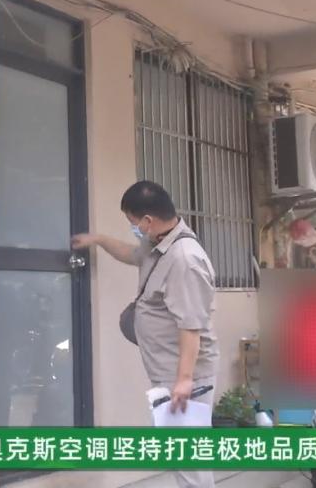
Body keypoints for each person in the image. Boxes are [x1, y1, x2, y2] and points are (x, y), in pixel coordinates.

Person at [72, 180, 219, 488]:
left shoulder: (184, 259)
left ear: (148, 221)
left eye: (133, 222)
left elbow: (191, 326)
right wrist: (98, 239)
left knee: (189, 461)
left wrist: (184, 380)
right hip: (169, 373)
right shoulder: (158, 244)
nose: (134, 229)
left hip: (186, 378)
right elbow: (130, 254)